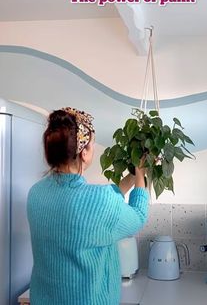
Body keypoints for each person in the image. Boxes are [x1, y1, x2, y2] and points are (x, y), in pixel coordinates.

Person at [27, 107, 149, 305]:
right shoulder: (100, 201)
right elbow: (139, 216)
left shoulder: (35, 194)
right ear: (84, 152)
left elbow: (100, 208)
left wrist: (133, 176)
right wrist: (141, 174)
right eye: (92, 144)